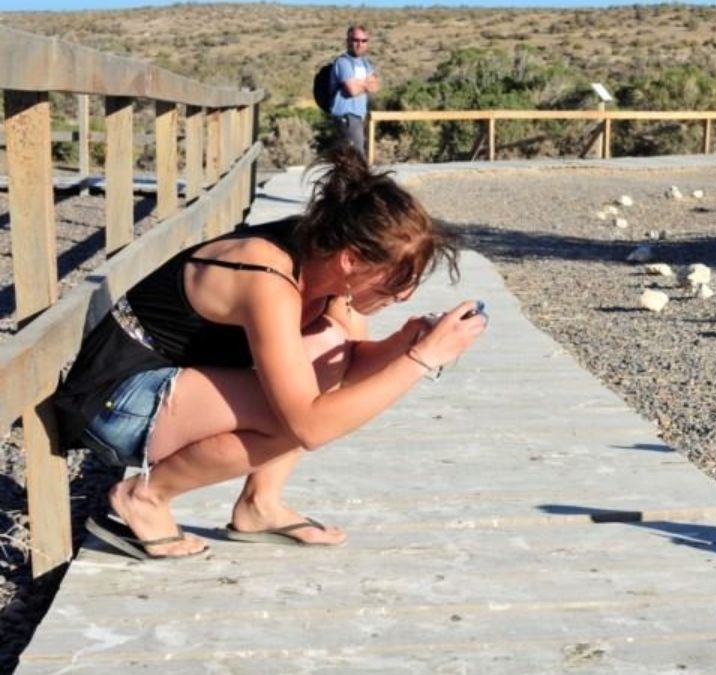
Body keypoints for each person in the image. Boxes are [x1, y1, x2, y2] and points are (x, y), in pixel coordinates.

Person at [54, 145, 485, 559]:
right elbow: (311, 426)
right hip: (115, 403)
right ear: (351, 260)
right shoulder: (266, 277)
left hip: (170, 390)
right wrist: (421, 360)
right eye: (396, 281)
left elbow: (349, 365)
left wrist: (407, 342)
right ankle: (144, 496)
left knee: (329, 347)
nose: (405, 295)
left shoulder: (324, 258)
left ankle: (259, 504)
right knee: (293, 418)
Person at [329, 24, 379, 157]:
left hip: (358, 117)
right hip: (346, 117)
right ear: (348, 41)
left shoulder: (365, 63)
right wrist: (365, 84)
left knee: (348, 160)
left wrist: (358, 83)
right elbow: (352, 90)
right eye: (355, 40)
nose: (359, 44)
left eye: (364, 40)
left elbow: (375, 86)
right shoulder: (343, 63)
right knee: (356, 159)